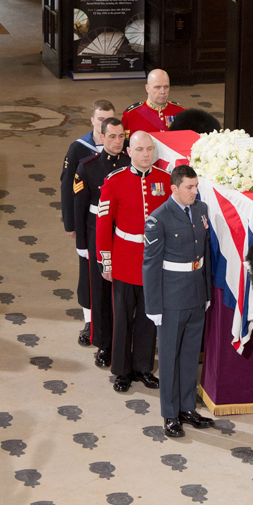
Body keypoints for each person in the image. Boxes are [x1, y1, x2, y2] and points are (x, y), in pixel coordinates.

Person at [143, 164, 214, 438]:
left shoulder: (201, 210)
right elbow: (150, 265)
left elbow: (204, 252)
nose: (195, 192)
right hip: (171, 298)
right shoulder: (158, 218)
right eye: (189, 187)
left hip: (196, 293)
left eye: (196, 186)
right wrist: (154, 307)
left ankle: (187, 408)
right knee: (170, 358)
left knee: (189, 356)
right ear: (174, 188)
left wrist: (205, 292)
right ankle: (170, 414)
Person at [96, 131, 169, 386]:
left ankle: (143, 367)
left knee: (149, 318)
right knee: (123, 318)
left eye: (149, 149)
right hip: (125, 261)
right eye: (139, 150)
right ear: (129, 152)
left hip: (154, 263)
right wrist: (106, 262)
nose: (145, 154)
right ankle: (122, 371)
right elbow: (104, 225)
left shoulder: (165, 180)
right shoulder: (114, 181)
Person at [73, 117, 130, 366]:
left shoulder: (131, 163)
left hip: (126, 237)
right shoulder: (88, 167)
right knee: (100, 292)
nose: (117, 142)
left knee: (125, 293)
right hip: (97, 235)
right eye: (112, 137)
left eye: (121, 137)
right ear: (102, 137)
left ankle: (123, 342)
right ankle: (103, 344)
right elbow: (80, 208)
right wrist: (83, 245)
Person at [62, 100, 115, 346]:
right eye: (100, 119)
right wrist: (71, 224)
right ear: (92, 121)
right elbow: (68, 189)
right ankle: (89, 320)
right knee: (88, 273)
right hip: (88, 222)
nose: (104, 123)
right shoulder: (78, 149)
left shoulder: (118, 149)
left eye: (110, 119)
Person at [121, 69, 184, 138]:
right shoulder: (131, 114)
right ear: (147, 88)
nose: (163, 91)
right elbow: (124, 144)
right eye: (157, 87)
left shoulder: (180, 112)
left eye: (166, 87)